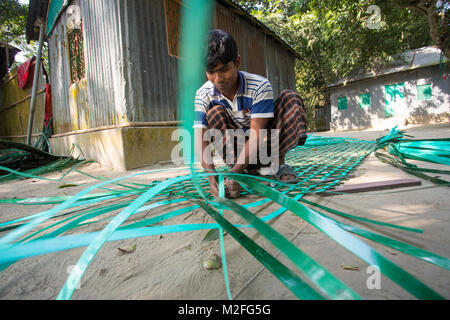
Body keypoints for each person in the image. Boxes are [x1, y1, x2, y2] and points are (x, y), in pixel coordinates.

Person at [194, 29, 307, 199]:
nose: (218, 79)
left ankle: (278, 164)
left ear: (237, 62)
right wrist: (212, 178)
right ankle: (239, 169)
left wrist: (235, 174)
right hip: (237, 149)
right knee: (214, 113)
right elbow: (199, 139)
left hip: (266, 142)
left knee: (290, 98)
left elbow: (257, 136)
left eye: (224, 69)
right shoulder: (203, 94)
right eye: (211, 72)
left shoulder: (259, 86)